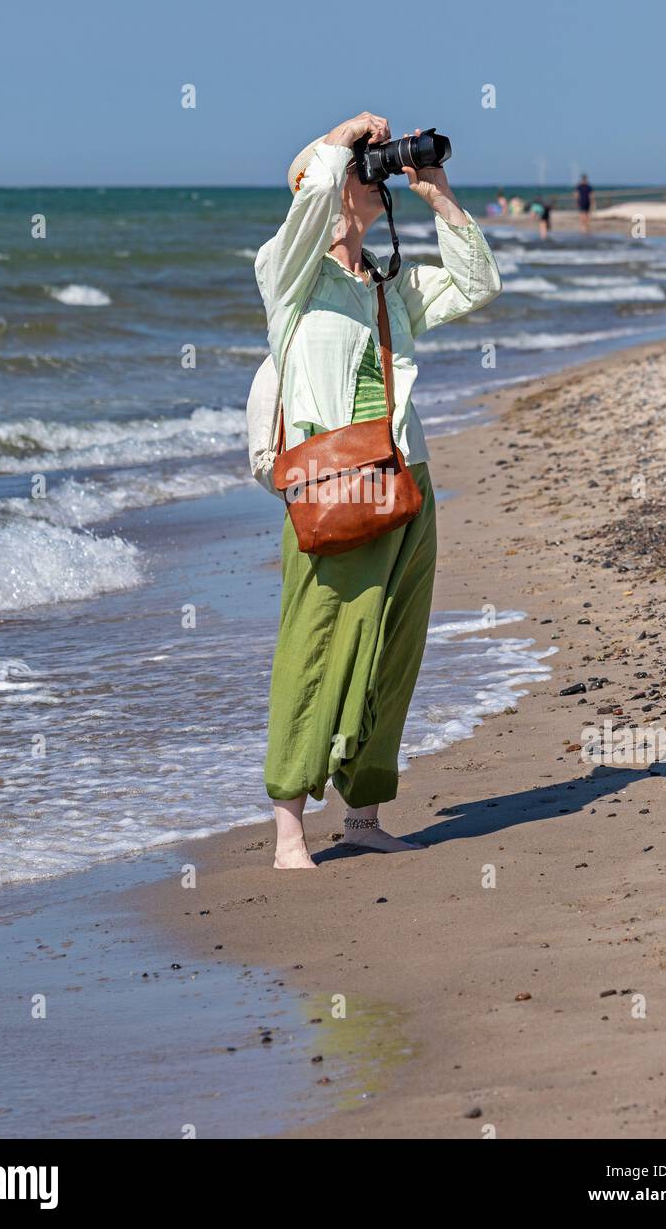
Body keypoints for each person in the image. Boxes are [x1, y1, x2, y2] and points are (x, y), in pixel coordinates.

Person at [255, 112, 502, 868]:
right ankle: (289, 826)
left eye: (374, 167)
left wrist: (438, 194)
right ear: (319, 190)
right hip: (333, 484)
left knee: (395, 641)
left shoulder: (387, 281)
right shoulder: (286, 272)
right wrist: (343, 136)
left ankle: (362, 814)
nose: (371, 175)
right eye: (359, 170)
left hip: (406, 476)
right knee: (317, 641)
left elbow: (478, 282)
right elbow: (317, 189)